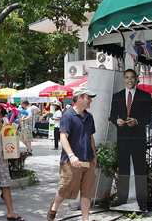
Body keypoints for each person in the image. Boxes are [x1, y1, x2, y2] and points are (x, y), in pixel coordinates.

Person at [47, 87, 97, 221]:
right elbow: (63, 137)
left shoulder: (89, 117)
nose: (91, 101)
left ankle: (85, 219)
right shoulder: (68, 116)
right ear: (79, 98)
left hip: (88, 160)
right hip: (71, 162)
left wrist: (94, 155)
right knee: (66, 190)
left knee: (87, 193)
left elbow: (90, 137)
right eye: (88, 98)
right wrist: (71, 155)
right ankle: (55, 206)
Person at [109, 69, 152, 212]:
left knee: (140, 168)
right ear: (123, 79)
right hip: (122, 137)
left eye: (132, 77)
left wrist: (138, 122)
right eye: (127, 77)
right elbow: (112, 116)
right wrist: (117, 121)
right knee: (123, 168)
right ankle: (122, 198)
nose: (130, 80)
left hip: (138, 138)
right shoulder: (116, 96)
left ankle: (142, 200)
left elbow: (150, 117)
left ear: (136, 79)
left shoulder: (145, 96)